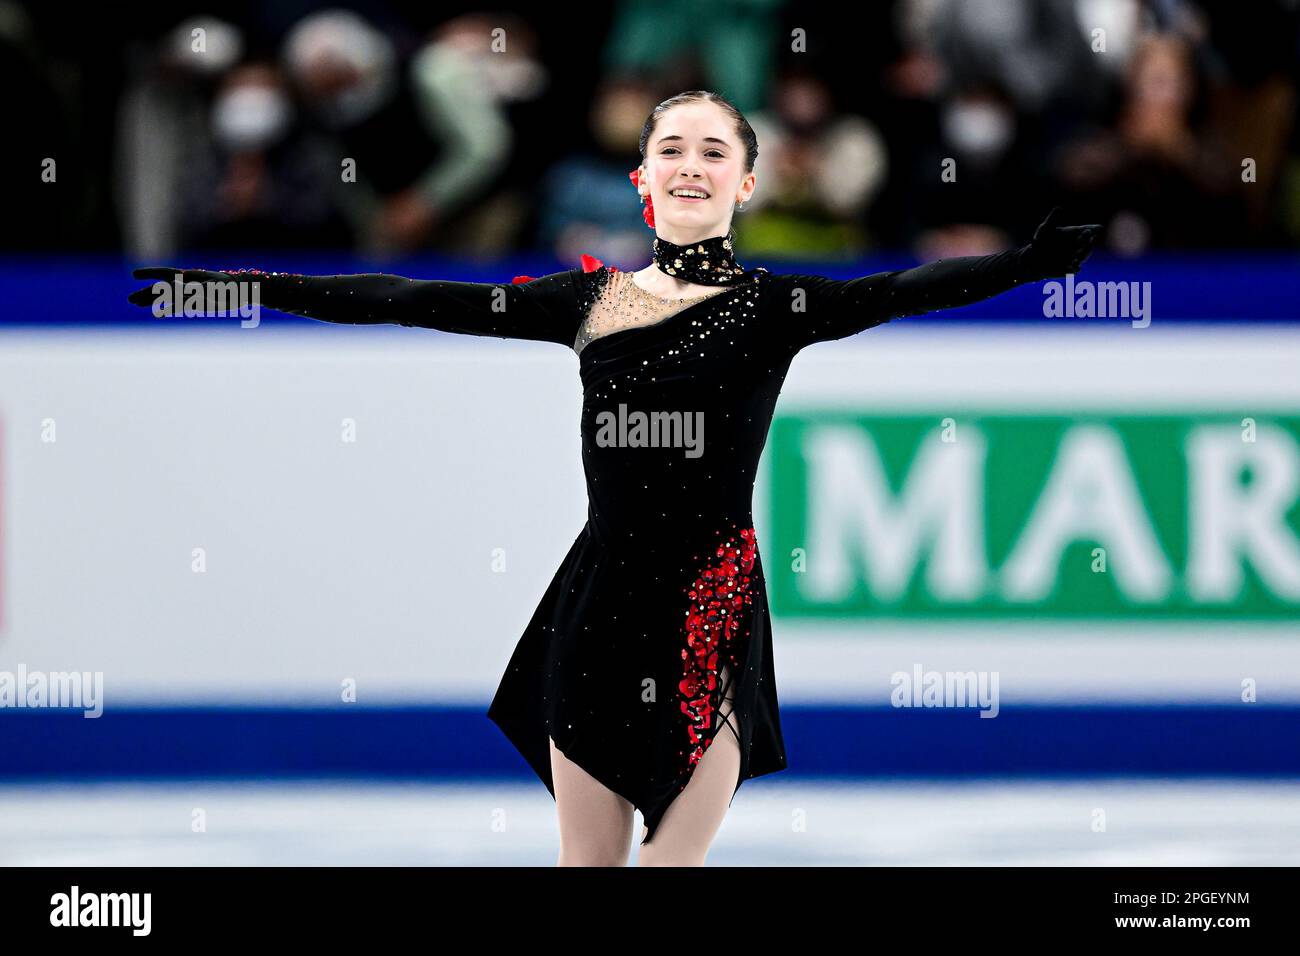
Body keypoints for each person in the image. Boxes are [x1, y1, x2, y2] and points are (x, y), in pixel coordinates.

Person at [129, 90, 1099, 866]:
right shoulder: (591, 300)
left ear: (747, 182)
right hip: (596, 611)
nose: (691, 165)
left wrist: (1024, 265)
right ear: (640, 176)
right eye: (671, 147)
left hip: (716, 612)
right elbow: (407, 296)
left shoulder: (778, 304)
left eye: (714, 150)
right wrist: (242, 285)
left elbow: (901, 289)